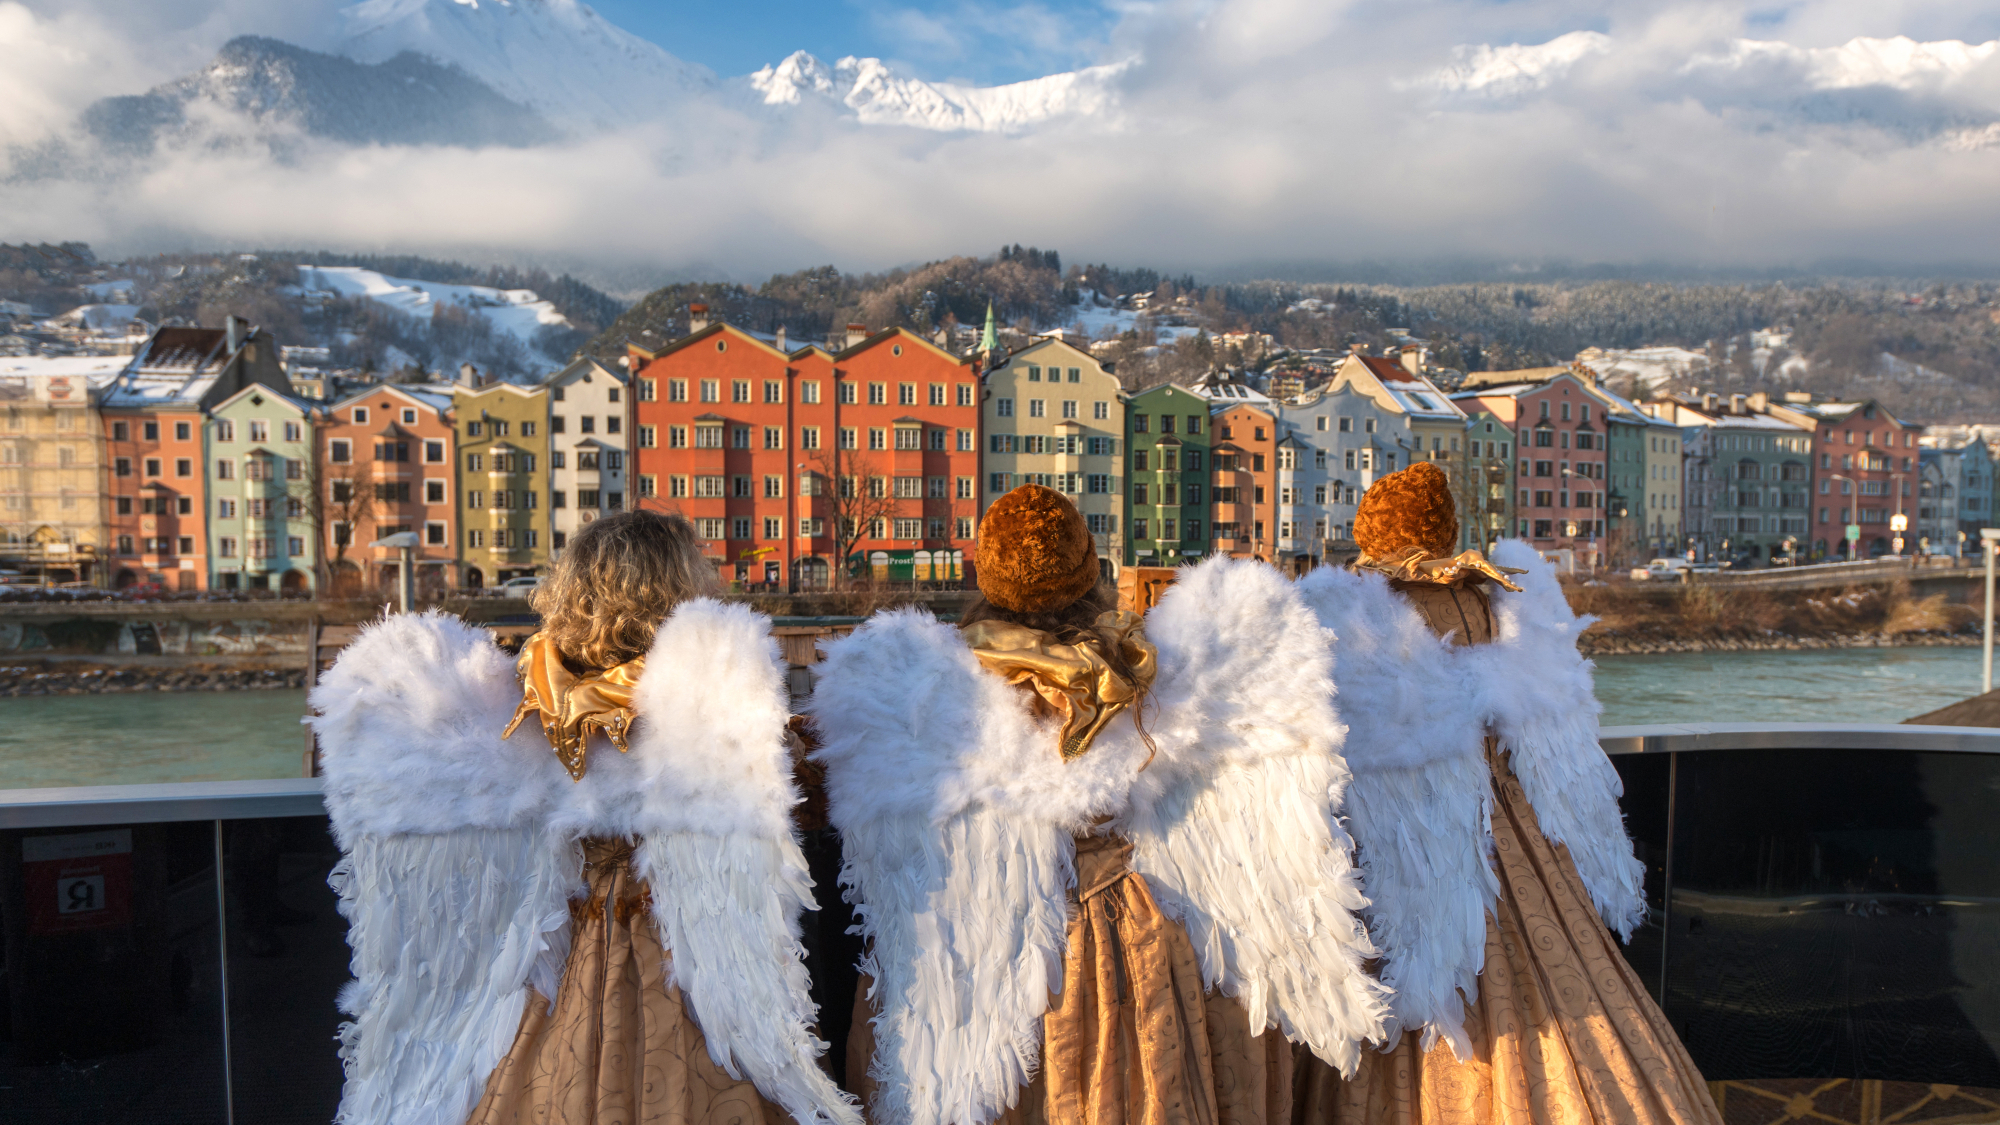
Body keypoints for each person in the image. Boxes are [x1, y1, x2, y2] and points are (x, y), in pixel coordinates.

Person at [808, 484, 1388, 1125]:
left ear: (986, 575)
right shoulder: (1147, 671)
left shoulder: (928, 692)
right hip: (1125, 935)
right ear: (1090, 572)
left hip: (982, 944)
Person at [311, 509, 859, 1125]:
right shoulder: (713, 706)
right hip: (687, 955)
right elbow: (800, 799)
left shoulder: (514, 699)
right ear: (683, 587)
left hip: (553, 943)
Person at [1292, 463, 1720, 1125]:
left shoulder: (1354, 612)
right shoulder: (1494, 599)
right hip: (1511, 828)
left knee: (1416, 990)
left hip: (1407, 839)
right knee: (1558, 965)